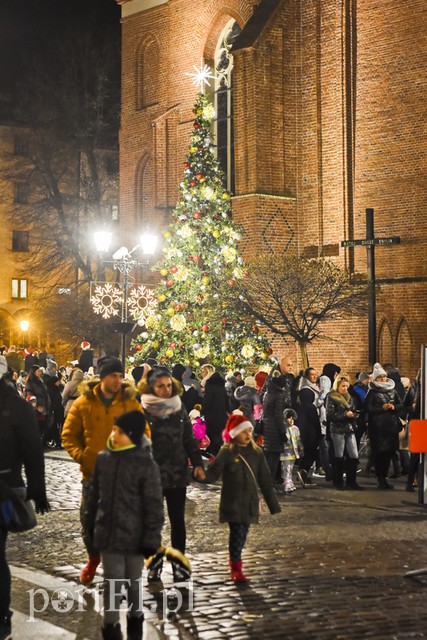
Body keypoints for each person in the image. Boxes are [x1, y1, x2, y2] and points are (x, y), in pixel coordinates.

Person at [62, 356, 147, 585]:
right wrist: (84, 457)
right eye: (113, 376)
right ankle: (93, 558)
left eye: (120, 376)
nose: (118, 380)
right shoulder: (83, 402)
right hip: (94, 474)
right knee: (88, 521)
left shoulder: (130, 403)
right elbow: (68, 435)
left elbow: (144, 433)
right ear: (102, 377)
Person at [86, 411, 164, 640]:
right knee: (111, 581)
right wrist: (91, 525)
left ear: (132, 435)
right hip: (109, 534)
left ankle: (135, 621)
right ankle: (110, 627)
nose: (114, 434)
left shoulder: (146, 464)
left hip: (135, 537)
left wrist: (151, 538)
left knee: (133, 582)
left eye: (119, 432)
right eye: (114, 430)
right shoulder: (104, 458)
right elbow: (94, 495)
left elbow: (154, 505)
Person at [138, 367, 205, 582]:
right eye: (161, 386)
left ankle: (179, 565)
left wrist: (197, 463)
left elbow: (188, 438)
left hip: (176, 472)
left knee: (178, 521)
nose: (166, 390)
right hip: (152, 474)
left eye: (169, 385)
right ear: (151, 387)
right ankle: (154, 565)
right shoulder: (143, 409)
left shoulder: (178, 408)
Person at [0, 356, 50, 640]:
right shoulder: (17, 406)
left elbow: (33, 451)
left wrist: (37, 489)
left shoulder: (16, 407)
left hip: (5, 488)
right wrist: (36, 489)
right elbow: (32, 451)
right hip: (9, 484)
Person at [201, 412, 280, 582]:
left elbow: (265, 480)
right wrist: (199, 475)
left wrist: (273, 505)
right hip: (233, 502)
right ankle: (236, 567)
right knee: (237, 533)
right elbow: (213, 473)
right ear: (234, 433)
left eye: (249, 431)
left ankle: (235, 560)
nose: (247, 435)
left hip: (250, 502)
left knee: (243, 534)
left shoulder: (257, 452)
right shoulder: (227, 452)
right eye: (243, 431)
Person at [365, 363, 403, 490]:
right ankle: (380, 478)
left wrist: (394, 407)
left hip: (391, 427)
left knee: (389, 454)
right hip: (378, 428)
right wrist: (381, 408)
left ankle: (384, 478)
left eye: (384, 376)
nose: (383, 379)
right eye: (380, 377)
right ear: (375, 379)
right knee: (379, 454)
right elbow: (368, 408)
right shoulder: (372, 392)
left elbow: (400, 403)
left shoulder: (392, 389)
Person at [325, 373, 363, 490]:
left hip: (349, 428)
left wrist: (354, 415)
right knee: (339, 455)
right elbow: (330, 415)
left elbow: (351, 409)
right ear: (337, 386)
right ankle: (338, 481)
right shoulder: (331, 397)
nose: (345, 388)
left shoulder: (349, 397)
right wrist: (344, 415)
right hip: (337, 430)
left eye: (347, 386)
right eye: (343, 386)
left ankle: (352, 481)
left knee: (354, 455)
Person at [262, 371, 289, 488]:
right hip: (274, 430)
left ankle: (266, 482)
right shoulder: (278, 395)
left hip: (267, 428)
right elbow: (278, 416)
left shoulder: (268, 393)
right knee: (273, 458)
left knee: (269, 458)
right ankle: (268, 484)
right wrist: (283, 432)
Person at [201, 364, 229, 455]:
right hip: (221, 415)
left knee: (213, 437)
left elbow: (207, 400)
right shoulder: (221, 384)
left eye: (203, 371)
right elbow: (226, 400)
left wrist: (201, 411)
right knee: (218, 438)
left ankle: (215, 459)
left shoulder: (210, 383)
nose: (201, 373)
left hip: (212, 415)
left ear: (208, 371)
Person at [25, 365, 51, 440]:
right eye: (38, 371)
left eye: (40, 371)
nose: (40, 372)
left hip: (44, 406)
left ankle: (42, 441)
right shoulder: (30, 382)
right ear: (34, 372)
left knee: (44, 425)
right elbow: (29, 394)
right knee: (38, 425)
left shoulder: (40, 380)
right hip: (37, 408)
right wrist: (35, 405)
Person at [281, 409, 304, 493]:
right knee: (286, 468)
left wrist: (301, 449)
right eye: (289, 418)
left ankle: (289, 481)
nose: (291, 420)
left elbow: (298, 440)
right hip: (285, 452)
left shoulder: (295, 429)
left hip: (293, 452)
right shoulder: (283, 428)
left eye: (292, 418)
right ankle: (286, 482)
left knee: (290, 468)